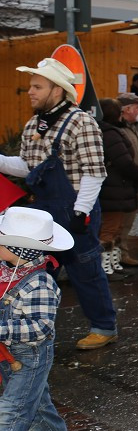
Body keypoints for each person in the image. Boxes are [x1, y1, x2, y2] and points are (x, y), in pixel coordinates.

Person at [0, 58, 117, 350]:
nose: (30, 91)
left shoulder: (81, 121)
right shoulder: (33, 124)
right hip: (42, 211)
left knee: (86, 272)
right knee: (35, 272)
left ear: (57, 90)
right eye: (31, 86)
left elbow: (94, 171)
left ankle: (104, 327)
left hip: (74, 210)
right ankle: (36, 329)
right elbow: (28, 167)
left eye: (37, 86)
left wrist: (81, 211)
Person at [0, 207, 74, 431]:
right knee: (36, 400)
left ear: (16, 249)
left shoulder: (40, 284)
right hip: (8, 355)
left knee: (12, 412)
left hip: (30, 356)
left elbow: (40, 327)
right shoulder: (6, 268)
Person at [98, 96, 138, 274]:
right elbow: (124, 163)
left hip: (116, 187)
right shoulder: (110, 134)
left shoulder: (110, 131)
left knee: (115, 228)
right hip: (114, 188)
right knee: (109, 229)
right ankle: (105, 267)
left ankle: (113, 261)